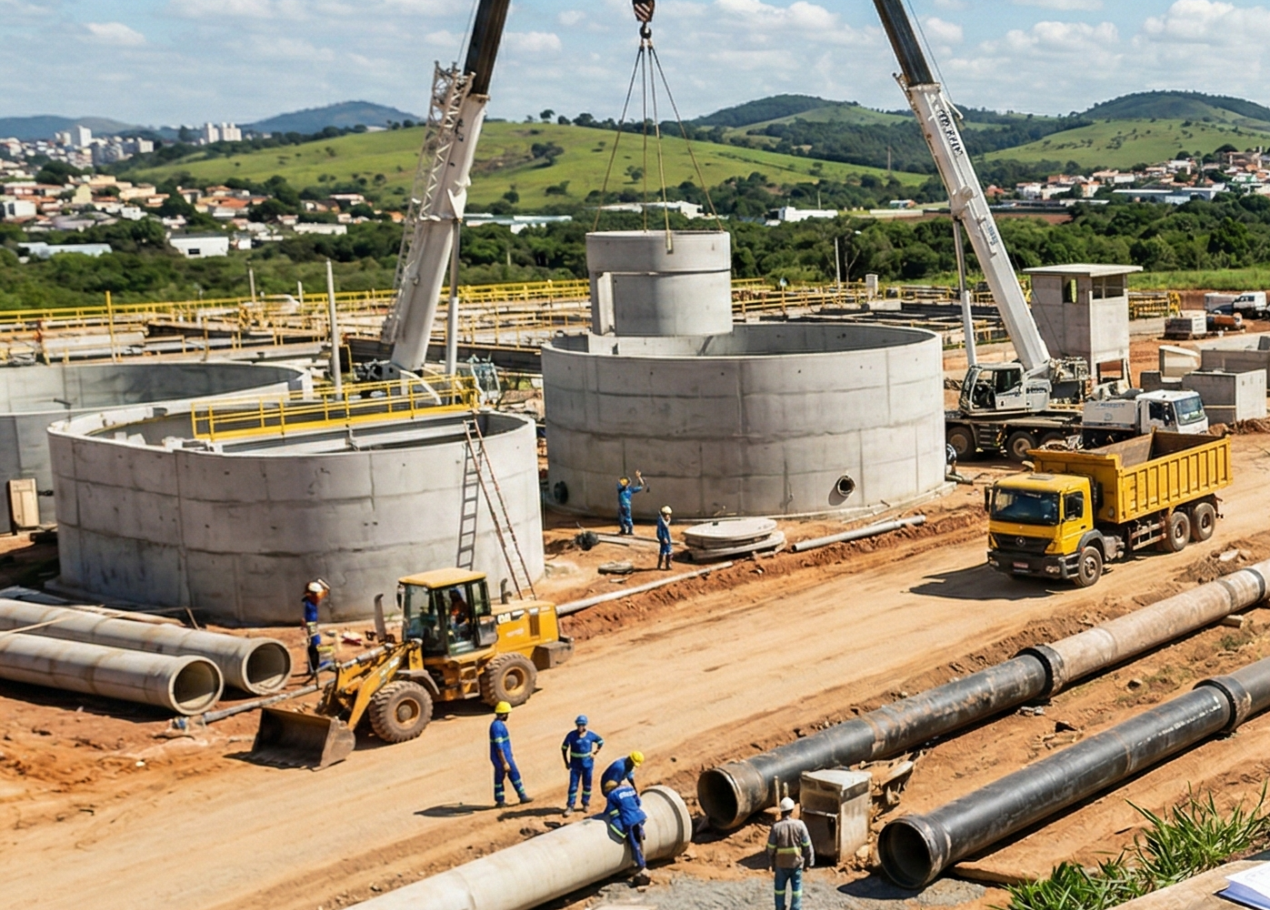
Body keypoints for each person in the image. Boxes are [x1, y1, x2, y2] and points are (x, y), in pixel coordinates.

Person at [766, 796, 814, 910]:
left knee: (779, 890)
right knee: (797, 889)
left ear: (781, 811)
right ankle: (795, 908)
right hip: (796, 865)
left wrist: (770, 863)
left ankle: (779, 907)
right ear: (792, 811)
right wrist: (809, 863)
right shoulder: (800, 825)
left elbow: (770, 848)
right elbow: (807, 845)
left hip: (781, 865)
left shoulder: (776, 827)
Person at [604, 778, 650, 887]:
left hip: (629, 820)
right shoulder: (629, 789)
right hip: (639, 816)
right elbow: (638, 802)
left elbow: (611, 811)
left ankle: (640, 865)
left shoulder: (612, 795)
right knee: (638, 835)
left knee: (634, 843)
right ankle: (641, 831)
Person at [489, 701, 532, 809]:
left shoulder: (495, 725)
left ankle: (500, 801)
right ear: (503, 714)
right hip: (503, 758)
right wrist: (504, 762)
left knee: (499, 779)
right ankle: (522, 796)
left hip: (500, 758)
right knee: (514, 775)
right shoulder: (497, 727)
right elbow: (499, 747)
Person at [561, 714, 604, 816]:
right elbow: (563, 748)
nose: (580, 727)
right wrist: (566, 762)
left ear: (585, 725)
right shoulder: (571, 735)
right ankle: (570, 805)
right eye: (578, 725)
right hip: (575, 766)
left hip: (587, 766)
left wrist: (595, 753)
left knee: (587, 785)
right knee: (573, 786)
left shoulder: (590, 736)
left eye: (582, 725)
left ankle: (585, 803)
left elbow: (601, 741)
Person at [301, 580, 330, 675]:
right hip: (311, 625)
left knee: (315, 643)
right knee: (315, 644)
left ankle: (313, 666)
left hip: (312, 624)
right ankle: (315, 667)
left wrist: (324, 589)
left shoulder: (310, 600)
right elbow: (319, 595)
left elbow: (321, 594)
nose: (319, 598)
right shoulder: (310, 603)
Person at [616, 471, 646, 535]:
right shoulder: (620, 489)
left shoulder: (630, 489)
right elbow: (619, 483)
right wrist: (622, 481)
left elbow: (641, 486)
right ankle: (623, 529)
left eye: (627, 483)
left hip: (627, 506)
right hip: (621, 506)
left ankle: (630, 530)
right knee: (621, 519)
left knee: (628, 518)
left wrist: (639, 477)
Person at [656, 506, 673, 571]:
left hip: (667, 537)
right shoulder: (661, 522)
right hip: (664, 538)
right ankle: (667, 565)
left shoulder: (665, 521)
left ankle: (660, 565)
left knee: (663, 551)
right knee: (668, 551)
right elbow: (659, 531)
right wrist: (663, 538)